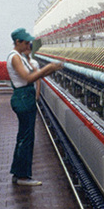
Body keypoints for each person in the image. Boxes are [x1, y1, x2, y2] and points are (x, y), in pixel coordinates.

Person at [6, 27, 63, 186]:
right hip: (23, 97)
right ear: (17, 42)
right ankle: (23, 177)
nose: (28, 45)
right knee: (26, 138)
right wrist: (47, 68)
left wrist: (49, 70)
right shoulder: (15, 57)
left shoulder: (21, 57)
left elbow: (34, 74)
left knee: (25, 137)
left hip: (26, 97)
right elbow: (28, 78)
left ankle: (18, 173)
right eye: (26, 42)